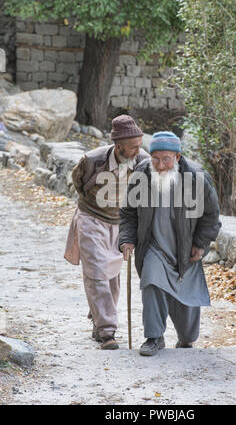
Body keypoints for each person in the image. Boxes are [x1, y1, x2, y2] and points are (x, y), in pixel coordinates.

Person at [119, 131, 221, 356]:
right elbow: (128, 213)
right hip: (154, 247)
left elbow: (212, 216)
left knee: (187, 312)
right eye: (155, 159)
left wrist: (201, 243)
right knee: (152, 283)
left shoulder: (197, 177)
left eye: (166, 159)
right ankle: (154, 337)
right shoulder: (142, 174)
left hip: (186, 250)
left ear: (177, 157)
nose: (161, 165)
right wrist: (126, 239)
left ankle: (186, 339)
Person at [64, 115, 149, 350]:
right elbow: (78, 182)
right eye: (133, 147)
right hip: (91, 218)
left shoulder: (143, 160)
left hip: (121, 221)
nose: (138, 151)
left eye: (139, 146)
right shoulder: (92, 160)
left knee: (112, 275)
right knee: (96, 271)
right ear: (119, 145)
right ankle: (107, 331)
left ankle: (98, 320)